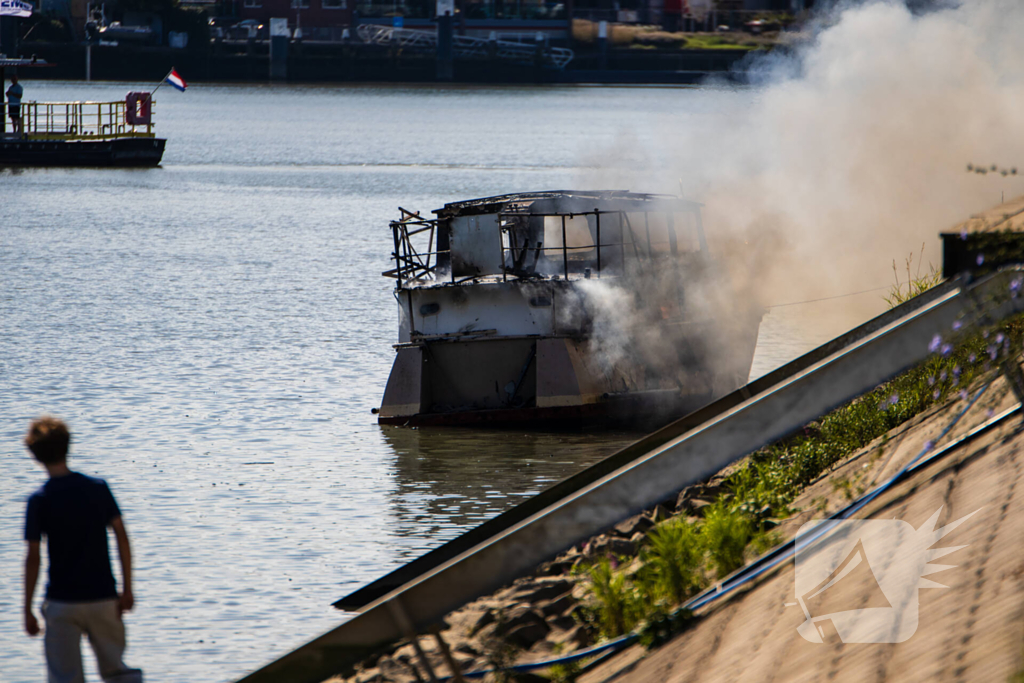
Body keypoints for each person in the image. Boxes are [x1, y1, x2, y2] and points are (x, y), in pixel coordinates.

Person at [22, 416, 144, 683]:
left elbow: (33, 558)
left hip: (62, 602)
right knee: (117, 672)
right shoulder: (97, 489)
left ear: (34, 455)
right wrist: (128, 588)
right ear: (68, 446)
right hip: (103, 597)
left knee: (65, 677)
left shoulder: (39, 500)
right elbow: (122, 537)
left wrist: (27, 608)